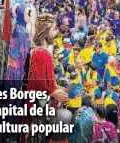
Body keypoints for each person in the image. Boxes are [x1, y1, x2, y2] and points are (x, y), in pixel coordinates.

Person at [25, 13, 68, 143]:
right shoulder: (41, 54)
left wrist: (56, 88)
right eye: (54, 29)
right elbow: (37, 83)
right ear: (46, 30)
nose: (56, 32)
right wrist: (54, 92)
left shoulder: (40, 51)